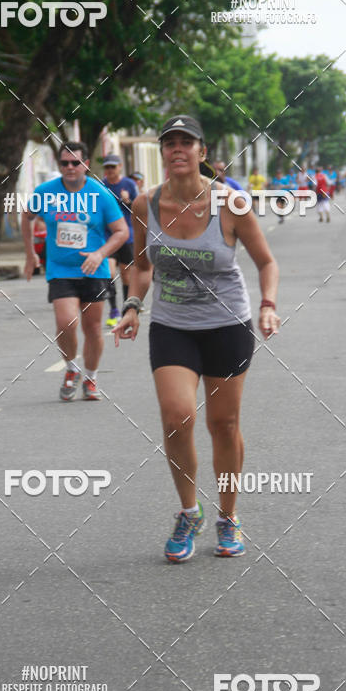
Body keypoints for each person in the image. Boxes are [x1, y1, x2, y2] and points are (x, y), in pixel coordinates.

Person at [113, 114, 280, 563]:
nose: (178, 149)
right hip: (173, 325)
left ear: (202, 153)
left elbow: (266, 262)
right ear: (163, 153)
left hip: (228, 325)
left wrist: (267, 304)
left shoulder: (231, 205)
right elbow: (143, 267)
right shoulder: (146, 204)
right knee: (176, 416)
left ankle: (229, 515)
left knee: (222, 425)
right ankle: (189, 511)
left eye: (187, 142)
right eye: (170, 143)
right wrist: (132, 306)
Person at [22, 141, 128, 401]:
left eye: (75, 163)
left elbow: (121, 231)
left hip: (94, 270)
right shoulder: (45, 192)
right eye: (65, 163)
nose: (70, 168)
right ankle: (71, 368)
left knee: (92, 329)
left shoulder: (100, 194)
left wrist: (100, 253)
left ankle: (90, 377)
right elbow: (27, 217)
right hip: (60, 269)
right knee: (65, 322)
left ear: (86, 165)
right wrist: (30, 253)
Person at [101, 154, 139, 328]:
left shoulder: (129, 185)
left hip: (127, 235)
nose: (109, 170)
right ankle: (113, 310)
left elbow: (138, 208)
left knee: (125, 274)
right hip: (108, 236)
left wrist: (128, 201)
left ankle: (126, 307)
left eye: (113, 167)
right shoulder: (101, 186)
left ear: (120, 167)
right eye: (107, 167)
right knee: (109, 272)